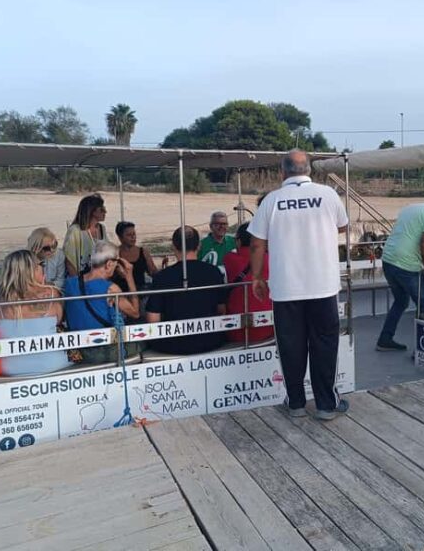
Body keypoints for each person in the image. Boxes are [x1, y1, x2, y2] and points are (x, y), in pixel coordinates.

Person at [249, 150, 349, 420]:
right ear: (309, 171)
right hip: (323, 286)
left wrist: (257, 277)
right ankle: (326, 405)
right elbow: (342, 226)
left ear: (283, 173)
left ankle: (295, 404)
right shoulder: (328, 194)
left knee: (291, 345)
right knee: (325, 345)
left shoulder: (272, 200)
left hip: (285, 289)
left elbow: (257, 243)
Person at [376, 192, 424, 353]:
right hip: (406, 265)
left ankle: (385, 339)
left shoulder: (411, 208)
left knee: (401, 300)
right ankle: (422, 349)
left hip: (388, 259)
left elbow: (412, 235)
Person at [146, 226, 228, 354]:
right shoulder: (214, 272)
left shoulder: (162, 277)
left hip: (172, 344)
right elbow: (222, 310)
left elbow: (153, 319)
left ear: (173, 246)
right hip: (211, 340)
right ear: (199, 246)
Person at [0, 250, 70, 376]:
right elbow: (59, 320)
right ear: (32, 270)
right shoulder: (51, 294)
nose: (43, 269)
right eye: (41, 265)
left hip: (10, 369)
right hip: (51, 366)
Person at [63, 241, 140, 363]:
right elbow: (135, 312)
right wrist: (129, 277)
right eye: (117, 262)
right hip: (102, 351)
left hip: (78, 351)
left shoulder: (69, 283)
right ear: (109, 264)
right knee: (147, 340)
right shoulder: (110, 288)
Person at [223, 222, 273, 343]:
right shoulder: (270, 259)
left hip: (236, 331)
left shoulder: (228, 258)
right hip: (268, 328)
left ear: (238, 241)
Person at [63, 194, 110, 276]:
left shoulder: (102, 229)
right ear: (92, 211)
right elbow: (69, 261)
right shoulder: (75, 231)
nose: (105, 212)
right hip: (81, 278)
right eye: (102, 209)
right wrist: (78, 283)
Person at [112, 221, 159, 293]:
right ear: (120, 237)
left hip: (141, 292)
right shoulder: (115, 253)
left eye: (134, 234)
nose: (133, 237)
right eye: (129, 235)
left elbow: (153, 272)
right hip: (122, 293)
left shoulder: (143, 252)